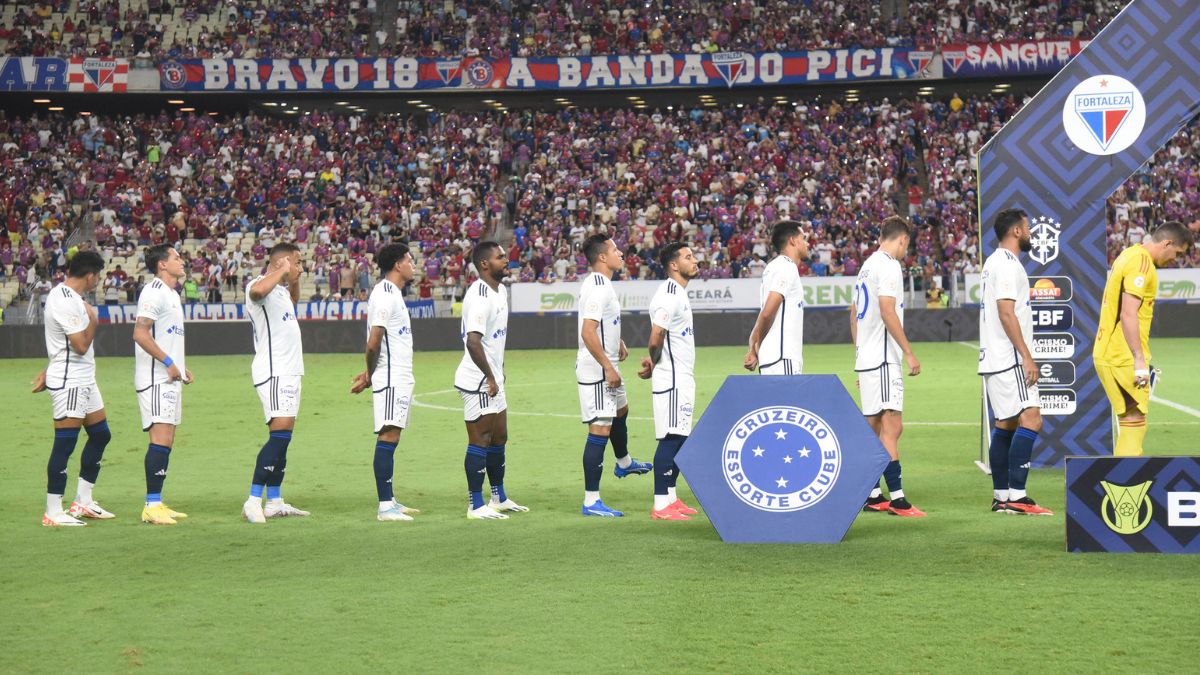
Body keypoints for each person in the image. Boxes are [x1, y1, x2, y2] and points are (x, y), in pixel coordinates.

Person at [1094, 221, 1193, 457]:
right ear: (1167, 243)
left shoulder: (1130, 254)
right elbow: (1128, 313)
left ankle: (1122, 479)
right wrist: (1139, 359)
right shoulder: (1142, 263)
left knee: (1130, 420)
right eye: (1177, 253)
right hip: (1121, 356)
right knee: (1135, 421)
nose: (1175, 260)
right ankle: (1124, 484)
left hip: (1110, 352)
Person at [31, 251, 115, 526]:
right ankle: (53, 511)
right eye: (98, 276)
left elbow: (60, 343)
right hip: (71, 381)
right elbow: (79, 345)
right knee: (65, 444)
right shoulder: (66, 300)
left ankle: (83, 501)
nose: (98, 281)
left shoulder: (68, 297)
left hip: (82, 378)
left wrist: (48, 368)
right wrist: (94, 321)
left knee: (101, 435)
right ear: (90, 275)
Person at [850, 217, 925, 518]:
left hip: (868, 357)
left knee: (875, 426)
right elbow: (886, 309)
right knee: (892, 425)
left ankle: (871, 493)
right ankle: (898, 499)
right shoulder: (890, 265)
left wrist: (859, 358)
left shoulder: (866, 266)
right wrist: (908, 352)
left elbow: (854, 313)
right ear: (903, 239)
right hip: (883, 358)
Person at [978, 209, 1051, 516]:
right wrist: (1026, 354)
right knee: (1031, 417)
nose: (1031, 232)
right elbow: (1006, 312)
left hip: (993, 357)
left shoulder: (993, 262)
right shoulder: (1007, 265)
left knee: (1005, 422)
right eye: (1028, 227)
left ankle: (1002, 496)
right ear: (1017, 232)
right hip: (1009, 357)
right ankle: (1018, 497)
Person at [575, 233, 652, 518]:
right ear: (603, 257)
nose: (621, 253)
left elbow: (601, 323)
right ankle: (591, 501)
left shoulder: (602, 284)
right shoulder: (598, 286)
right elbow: (587, 331)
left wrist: (616, 343)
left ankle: (624, 461)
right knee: (600, 429)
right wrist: (607, 366)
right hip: (597, 369)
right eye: (615, 249)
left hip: (607, 362)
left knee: (622, 410)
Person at [454, 241, 526, 520]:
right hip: (478, 379)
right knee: (480, 439)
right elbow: (473, 341)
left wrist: (499, 371)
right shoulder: (480, 295)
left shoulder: (501, 290)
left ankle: (498, 497)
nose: (506, 260)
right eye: (500, 257)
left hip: (494, 377)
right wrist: (489, 375)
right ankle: (475, 503)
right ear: (485, 264)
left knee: (499, 437)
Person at [351, 243, 422, 521]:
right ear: (397, 265)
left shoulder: (392, 293)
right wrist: (370, 374)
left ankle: (390, 499)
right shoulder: (384, 293)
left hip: (398, 375)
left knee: (393, 434)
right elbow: (374, 341)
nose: (412, 263)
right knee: (388, 434)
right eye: (409, 259)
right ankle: (384, 506)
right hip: (391, 377)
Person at [241, 243, 310, 524]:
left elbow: (292, 303)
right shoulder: (258, 285)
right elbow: (257, 293)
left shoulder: (279, 292)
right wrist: (283, 269)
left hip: (290, 371)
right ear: (281, 262)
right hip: (274, 371)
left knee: (283, 438)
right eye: (297, 262)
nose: (301, 267)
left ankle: (275, 501)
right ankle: (253, 499)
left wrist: (292, 278)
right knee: (279, 435)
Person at [638, 242, 701, 521]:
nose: (695, 259)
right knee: (671, 439)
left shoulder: (679, 293)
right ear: (674, 265)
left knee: (681, 438)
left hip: (682, 377)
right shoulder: (668, 294)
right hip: (672, 379)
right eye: (689, 257)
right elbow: (656, 336)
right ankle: (661, 504)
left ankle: (672, 498)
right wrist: (654, 361)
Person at [132, 244, 194, 525]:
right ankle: (151, 505)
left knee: (167, 440)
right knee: (160, 439)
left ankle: (157, 502)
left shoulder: (172, 294)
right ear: (162, 265)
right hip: (156, 378)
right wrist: (168, 362)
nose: (182, 261)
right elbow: (140, 333)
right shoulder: (153, 291)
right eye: (176, 258)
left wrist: (179, 365)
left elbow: (164, 336)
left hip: (168, 376)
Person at [744, 220, 808, 374]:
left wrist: (753, 347)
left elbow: (763, 315)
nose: (807, 244)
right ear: (793, 240)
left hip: (773, 359)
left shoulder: (774, 267)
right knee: (788, 399)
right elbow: (767, 314)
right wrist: (757, 344)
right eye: (803, 238)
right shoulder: (786, 267)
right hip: (783, 358)